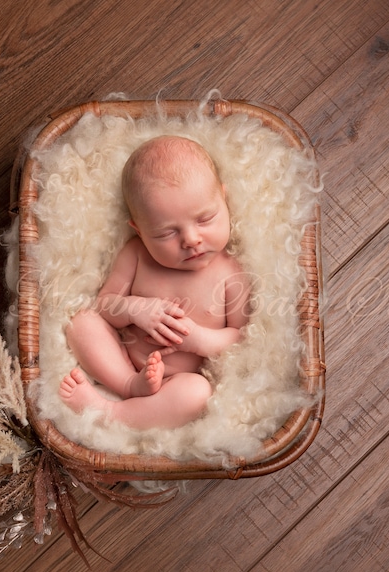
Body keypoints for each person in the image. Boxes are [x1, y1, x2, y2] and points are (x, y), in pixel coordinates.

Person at [59, 135, 250, 429]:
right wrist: (136, 309)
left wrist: (199, 340)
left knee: (197, 393)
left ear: (223, 199)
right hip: (123, 363)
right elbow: (105, 306)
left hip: (176, 380)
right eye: (165, 234)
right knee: (81, 322)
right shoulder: (137, 254)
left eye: (205, 219)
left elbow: (240, 335)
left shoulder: (231, 272)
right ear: (140, 230)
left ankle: (111, 413)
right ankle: (127, 388)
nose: (191, 239)